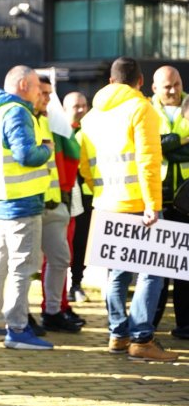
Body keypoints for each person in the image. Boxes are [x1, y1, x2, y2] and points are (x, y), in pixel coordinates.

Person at [78, 57, 179, 362]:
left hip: (106, 203)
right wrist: (153, 205)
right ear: (140, 80)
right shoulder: (141, 109)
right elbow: (148, 161)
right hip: (138, 203)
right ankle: (142, 338)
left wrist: (101, 193)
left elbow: (86, 166)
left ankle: (118, 334)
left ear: (111, 81)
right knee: (153, 270)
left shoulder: (91, 116)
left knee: (117, 272)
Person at [0, 65, 54, 350]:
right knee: (23, 266)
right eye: (35, 86)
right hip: (22, 203)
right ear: (22, 85)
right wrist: (46, 148)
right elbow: (26, 155)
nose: (37, 93)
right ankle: (18, 329)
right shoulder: (18, 112)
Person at [34, 76, 85, 333]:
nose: (47, 99)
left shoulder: (47, 120)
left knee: (60, 259)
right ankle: (16, 318)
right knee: (22, 266)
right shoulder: (27, 119)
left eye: (50, 94)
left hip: (55, 202)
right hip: (28, 203)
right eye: (44, 93)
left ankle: (54, 310)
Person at [150, 66, 189, 339]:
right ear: (154, 88)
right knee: (157, 266)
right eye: (167, 86)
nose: (173, 90)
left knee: (186, 268)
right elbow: (151, 147)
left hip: (187, 198)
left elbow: (161, 148)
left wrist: (167, 146)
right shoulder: (145, 110)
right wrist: (180, 142)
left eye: (176, 84)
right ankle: (149, 324)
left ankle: (185, 324)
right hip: (158, 198)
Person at [65, 91, 92, 303]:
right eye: (76, 106)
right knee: (64, 242)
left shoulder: (93, 130)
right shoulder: (61, 131)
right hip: (64, 194)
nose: (82, 109)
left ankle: (76, 283)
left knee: (81, 241)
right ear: (66, 110)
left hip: (86, 194)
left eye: (84, 105)